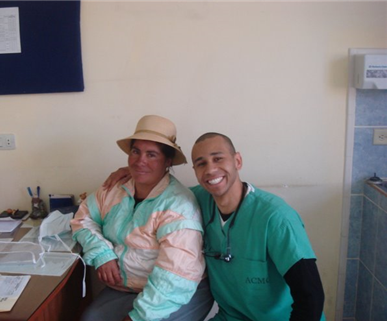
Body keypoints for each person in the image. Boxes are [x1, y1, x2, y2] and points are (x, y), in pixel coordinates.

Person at [104, 132, 326, 321]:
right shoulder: (193, 202)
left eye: (218, 159)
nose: (210, 170)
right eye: (201, 163)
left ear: (237, 161)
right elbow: (160, 191)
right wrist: (132, 172)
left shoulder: (276, 217)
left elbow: (311, 296)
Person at [71, 115, 213, 321]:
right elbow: (83, 218)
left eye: (152, 154)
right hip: (128, 288)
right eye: (136, 152)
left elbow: (175, 276)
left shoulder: (178, 205)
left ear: (168, 161)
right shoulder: (114, 189)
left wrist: (139, 317)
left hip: (177, 292)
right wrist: (102, 253)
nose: (140, 161)